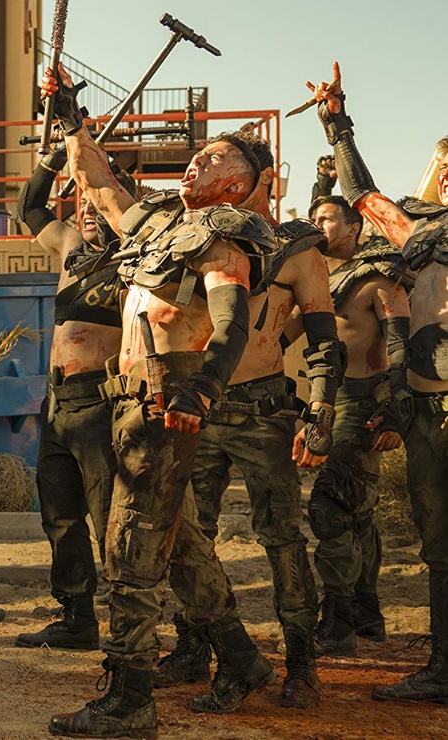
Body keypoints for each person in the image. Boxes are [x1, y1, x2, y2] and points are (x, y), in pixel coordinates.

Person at [41, 66, 279, 738]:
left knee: (130, 550)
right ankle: (242, 660)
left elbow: (230, 323)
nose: (201, 158)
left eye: (220, 157)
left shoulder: (224, 237)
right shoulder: (156, 224)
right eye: (201, 152)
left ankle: (130, 700)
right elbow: (97, 179)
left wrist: (205, 387)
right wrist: (69, 115)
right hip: (127, 402)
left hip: (167, 401)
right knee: (183, 548)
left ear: (242, 183)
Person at [154, 141, 340, 709]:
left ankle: (302, 665)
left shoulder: (295, 250)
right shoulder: (190, 236)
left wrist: (320, 413)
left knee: (282, 538)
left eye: (220, 159)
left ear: (259, 178)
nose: (205, 167)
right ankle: (195, 649)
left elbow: (325, 343)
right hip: (198, 406)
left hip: (263, 411)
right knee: (190, 535)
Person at [305, 61, 448, 703]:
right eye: (443, 167)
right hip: (426, 404)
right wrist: (336, 123)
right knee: (437, 540)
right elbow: (362, 194)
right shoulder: (418, 233)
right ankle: (442, 666)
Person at [13, 145, 134, 650]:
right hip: (57, 404)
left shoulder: (136, 255)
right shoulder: (70, 247)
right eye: (80, 201)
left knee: (111, 520)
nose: (84, 209)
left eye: (94, 201)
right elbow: (29, 208)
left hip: (102, 404)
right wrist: (50, 163)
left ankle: (130, 625)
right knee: (60, 517)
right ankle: (77, 619)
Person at [290, 195, 412, 657]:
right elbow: (283, 334)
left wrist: (396, 408)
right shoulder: (319, 278)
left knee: (331, 506)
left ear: (354, 226)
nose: (317, 224)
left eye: (326, 218)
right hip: (329, 402)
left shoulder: (380, 282)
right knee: (357, 512)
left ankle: (338, 624)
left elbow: (401, 348)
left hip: (364, 405)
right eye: (313, 217)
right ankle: (366, 614)